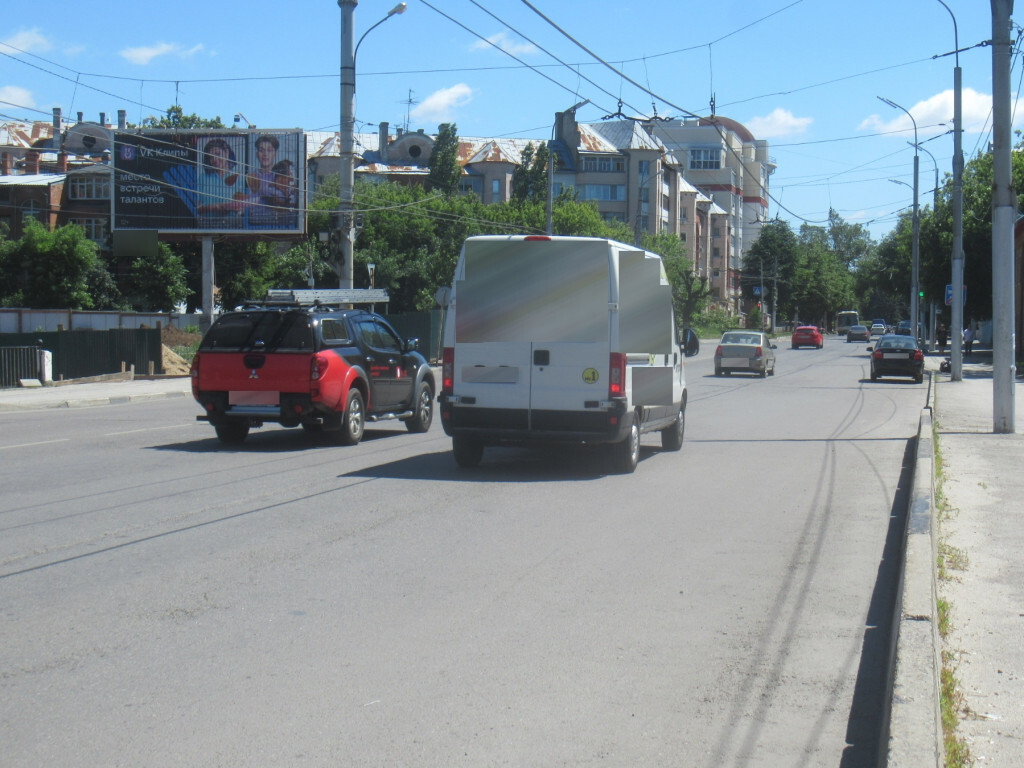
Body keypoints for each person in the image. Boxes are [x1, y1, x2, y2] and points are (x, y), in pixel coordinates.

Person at [196, 138, 244, 221]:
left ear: (227, 153)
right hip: (207, 226)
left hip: (234, 226)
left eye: (218, 154)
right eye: (211, 157)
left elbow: (246, 208)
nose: (214, 160)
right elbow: (196, 208)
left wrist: (238, 209)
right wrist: (214, 207)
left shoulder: (239, 178)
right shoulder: (203, 178)